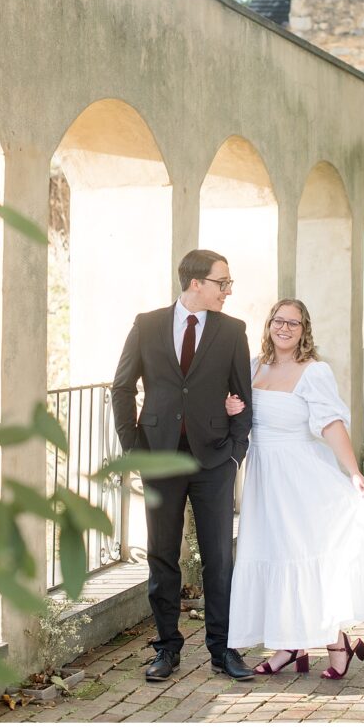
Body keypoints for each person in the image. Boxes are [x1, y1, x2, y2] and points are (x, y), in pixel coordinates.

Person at [112, 249, 255, 682]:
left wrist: (235, 451)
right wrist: (134, 446)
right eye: (222, 282)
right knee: (162, 556)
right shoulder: (148, 324)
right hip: (160, 456)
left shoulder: (233, 331)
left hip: (214, 460)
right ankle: (167, 649)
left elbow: (243, 396)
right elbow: (122, 387)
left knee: (219, 558)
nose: (228, 290)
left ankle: (223, 650)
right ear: (196, 283)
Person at [225, 298, 364, 678]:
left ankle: (335, 641)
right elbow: (243, 414)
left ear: (304, 329)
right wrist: (231, 407)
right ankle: (289, 645)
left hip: (301, 477)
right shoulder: (254, 366)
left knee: (303, 554)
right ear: (269, 325)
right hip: (263, 478)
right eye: (279, 321)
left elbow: (331, 424)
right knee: (273, 553)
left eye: (294, 323)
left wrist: (354, 471)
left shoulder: (315, 372)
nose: (285, 328)